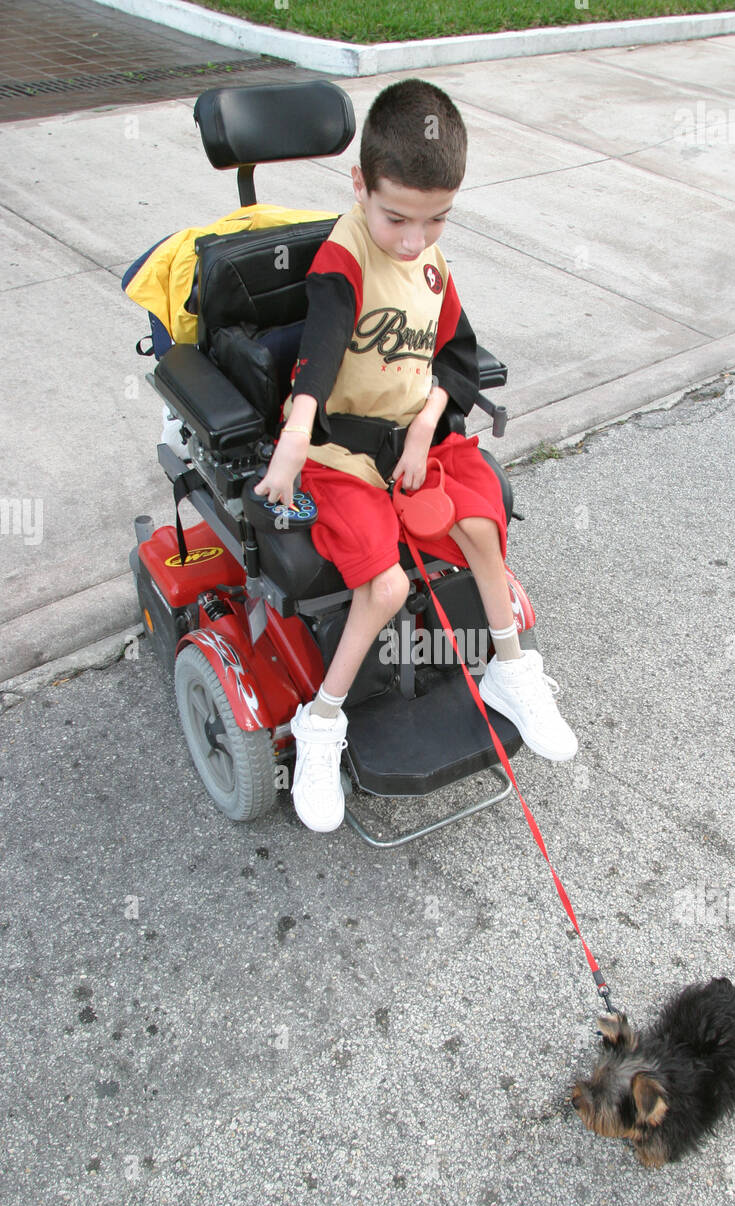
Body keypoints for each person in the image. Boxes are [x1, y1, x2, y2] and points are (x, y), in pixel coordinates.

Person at [254, 79, 577, 832]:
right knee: (389, 587)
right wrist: (295, 441)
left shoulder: (433, 264)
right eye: (397, 216)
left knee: (483, 528)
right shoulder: (344, 260)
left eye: (436, 220)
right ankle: (322, 722)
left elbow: (458, 357)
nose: (413, 239)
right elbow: (323, 352)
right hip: (341, 451)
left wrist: (432, 422)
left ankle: (508, 670)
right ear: (360, 183)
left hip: (414, 433)